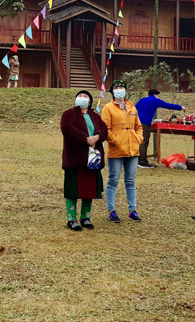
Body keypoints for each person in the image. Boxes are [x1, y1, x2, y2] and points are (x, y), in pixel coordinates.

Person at [60, 90, 109, 231]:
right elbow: (67, 129)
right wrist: (86, 138)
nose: (82, 98)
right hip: (75, 158)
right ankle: (71, 219)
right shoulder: (68, 114)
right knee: (72, 190)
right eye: (79, 96)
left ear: (89, 101)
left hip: (92, 159)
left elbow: (104, 129)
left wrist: (97, 137)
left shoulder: (95, 116)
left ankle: (85, 218)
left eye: (85, 96)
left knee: (89, 190)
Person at [101, 80, 143, 223]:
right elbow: (106, 128)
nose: (120, 90)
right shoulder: (108, 108)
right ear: (112, 91)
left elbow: (139, 126)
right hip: (117, 149)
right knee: (113, 180)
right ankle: (111, 210)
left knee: (130, 181)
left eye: (122, 87)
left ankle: (133, 210)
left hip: (132, 149)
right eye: (117, 88)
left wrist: (138, 138)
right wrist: (116, 141)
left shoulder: (132, 107)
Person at [135, 89, 183, 168]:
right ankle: (142, 162)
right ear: (155, 94)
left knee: (138, 140)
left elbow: (134, 109)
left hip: (136, 122)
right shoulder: (155, 100)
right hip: (145, 122)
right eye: (158, 95)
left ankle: (137, 159)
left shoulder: (142, 100)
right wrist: (181, 107)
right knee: (144, 141)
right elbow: (168, 105)